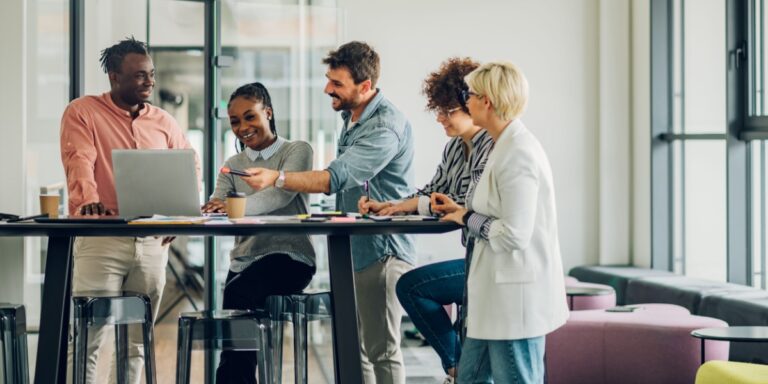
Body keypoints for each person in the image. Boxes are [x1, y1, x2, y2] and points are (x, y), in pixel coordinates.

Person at [239, 41, 415, 384]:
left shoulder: (385, 126)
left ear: (365, 87)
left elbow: (334, 178)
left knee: (382, 350)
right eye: (328, 79)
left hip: (382, 253)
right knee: (355, 349)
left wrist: (279, 177)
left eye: (337, 84)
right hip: (354, 252)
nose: (327, 89)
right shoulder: (354, 116)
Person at [60, 37, 200, 383]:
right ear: (114, 77)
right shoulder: (84, 112)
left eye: (151, 75)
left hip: (152, 244)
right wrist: (87, 199)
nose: (149, 82)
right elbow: (79, 160)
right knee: (90, 336)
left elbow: (189, 166)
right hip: (102, 239)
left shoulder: (164, 121)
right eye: (139, 76)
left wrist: (178, 213)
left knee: (136, 342)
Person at [432, 61, 569, 383]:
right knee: (469, 378)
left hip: (513, 301)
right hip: (492, 299)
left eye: (471, 94)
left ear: (487, 101)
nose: (466, 100)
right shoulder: (501, 145)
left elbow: (514, 234)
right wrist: (460, 210)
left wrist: (466, 217)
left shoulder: (518, 152)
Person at [358, 57, 493, 384]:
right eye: (438, 110)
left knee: (413, 286)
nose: (439, 118)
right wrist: (388, 206)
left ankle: (456, 367)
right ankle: (460, 368)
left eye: (447, 111)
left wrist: (433, 205)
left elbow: (462, 205)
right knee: (413, 287)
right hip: (474, 257)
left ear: (471, 105)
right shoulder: (454, 149)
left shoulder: (493, 146)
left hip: (492, 259)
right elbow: (434, 194)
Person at [201, 82, 316, 384]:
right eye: (235, 121)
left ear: (268, 112)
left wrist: (230, 207)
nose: (243, 127)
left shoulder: (296, 151)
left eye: (250, 116)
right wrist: (217, 207)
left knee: (238, 292)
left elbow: (278, 196)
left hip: (290, 258)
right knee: (236, 297)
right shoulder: (232, 164)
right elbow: (218, 203)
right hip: (244, 261)